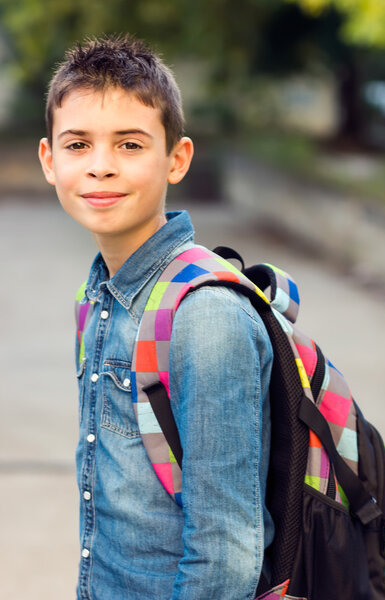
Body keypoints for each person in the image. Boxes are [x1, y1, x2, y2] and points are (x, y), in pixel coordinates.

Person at [38, 34, 274, 600]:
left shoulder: (205, 317)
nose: (100, 168)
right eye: (77, 145)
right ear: (48, 160)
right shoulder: (99, 293)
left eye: (129, 145)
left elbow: (226, 551)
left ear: (177, 159)